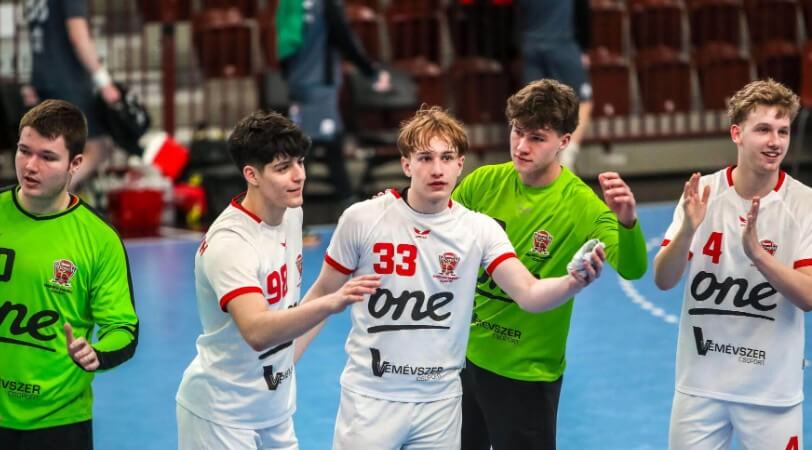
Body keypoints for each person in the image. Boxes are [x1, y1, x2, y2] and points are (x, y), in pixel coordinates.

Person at [295, 105, 606, 449]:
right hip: (371, 399)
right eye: (425, 158)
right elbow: (321, 294)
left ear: (460, 165)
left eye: (446, 158)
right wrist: (283, 363)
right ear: (406, 164)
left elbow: (529, 294)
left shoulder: (480, 230)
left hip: (440, 406)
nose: (437, 169)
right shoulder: (363, 219)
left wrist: (573, 282)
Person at [453, 78, 648, 450]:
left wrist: (627, 222)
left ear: (564, 140)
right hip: (462, 359)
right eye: (517, 131)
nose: (521, 146)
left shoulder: (580, 205)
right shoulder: (483, 183)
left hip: (526, 375)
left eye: (537, 138)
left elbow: (633, 268)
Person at [174, 110, 381, 450]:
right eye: (283, 168)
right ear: (251, 174)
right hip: (220, 414)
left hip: (274, 407)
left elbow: (296, 314)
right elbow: (257, 331)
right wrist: (331, 303)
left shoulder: (291, 214)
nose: (299, 176)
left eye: (300, 162)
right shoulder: (231, 243)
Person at [654, 79, 812, 450]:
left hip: (772, 392)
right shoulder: (703, 193)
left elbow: (808, 296)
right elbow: (664, 278)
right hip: (700, 386)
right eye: (763, 130)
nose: (775, 141)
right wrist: (687, 230)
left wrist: (758, 255)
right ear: (737, 133)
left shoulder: (804, 203)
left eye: (783, 131)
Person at [0, 99, 138, 449]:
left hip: (59, 420)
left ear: (75, 163)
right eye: (24, 151)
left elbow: (122, 328)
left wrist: (96, 353)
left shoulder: (99, 240)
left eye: (47, 157)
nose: (30, 166)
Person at [279, 0, 390, 205]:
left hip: (299, 81)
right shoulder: (326, 3)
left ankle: (345, 199)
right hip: (319, 82)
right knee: (309, 146)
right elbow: (344, 38)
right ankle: (292, 207)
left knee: (326, 142)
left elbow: (285, 43)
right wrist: (371, 71)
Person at [25, 0, 121, 193]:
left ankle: (52, 196)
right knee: (98, 148)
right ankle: (50, 195)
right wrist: (104, 81)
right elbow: (78, 37)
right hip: (68, 82)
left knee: (59, 152)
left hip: (44, 81)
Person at [517, 0, 592, 172]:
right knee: (584, 102)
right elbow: (583, 14)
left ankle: (537, 163)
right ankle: (567, 158)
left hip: (531, 46)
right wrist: (584, 49)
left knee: (536, 107)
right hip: (562, 45)